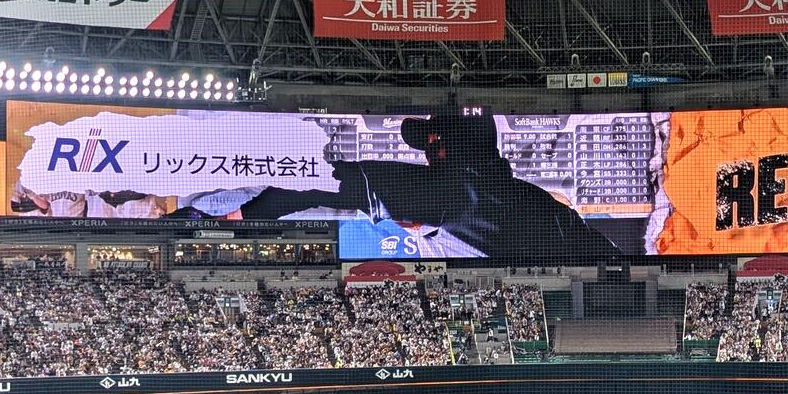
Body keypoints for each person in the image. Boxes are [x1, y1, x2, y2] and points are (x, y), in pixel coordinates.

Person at [200, 113, 621, 260]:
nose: (426, 154)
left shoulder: (445, 192)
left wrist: (238, 218)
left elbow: (313, 183)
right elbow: (611, 257)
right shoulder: (539, 201)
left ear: (449, 148)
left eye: (432, 144)